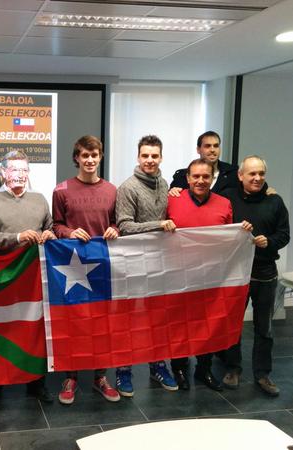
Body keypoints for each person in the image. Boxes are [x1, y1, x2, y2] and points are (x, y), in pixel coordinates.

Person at [0, 150, 55, 408]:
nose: (19, 175)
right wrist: (17, 238)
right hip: (1, 277)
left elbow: (50, 228)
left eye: (23, 170)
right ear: (3, 172)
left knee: (34, 329)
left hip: (33, 278)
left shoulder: (40, 199)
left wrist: (50, 235)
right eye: (13, 170)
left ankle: (36, 382)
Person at [166, 159, 252, 391]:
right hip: (179, 274)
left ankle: (203, 368)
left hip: (211, 277)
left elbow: (230, 239)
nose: (201, 181)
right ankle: (179, 368)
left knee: (207, 324)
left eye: (206, 176)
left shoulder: (224, 203)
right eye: (196, 176)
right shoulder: (172, 199)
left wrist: (242, 232)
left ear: (212, 178)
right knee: (180, 324)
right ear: (187, 178)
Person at [52, 135, 121, 405]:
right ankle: (71, 377)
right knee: (74, 320)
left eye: (94, 155)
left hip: (102, 266)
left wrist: (114, 229)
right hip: (72, 268)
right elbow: (55, 225)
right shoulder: (61, 190)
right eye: (84, 155)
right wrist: (69, 232)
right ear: (76, 158)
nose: (90, 160)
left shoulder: (112, 190)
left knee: (102, 322)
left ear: (100, 157)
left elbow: (117, 222)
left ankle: (100, 376)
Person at [221, 156, 290, 396]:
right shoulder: (228, 198)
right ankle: (232, 369)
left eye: (261, 173)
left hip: (265, 274)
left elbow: (284, 234)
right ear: (240, 176)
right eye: (252, 173)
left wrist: (269, 242)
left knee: (264, 328)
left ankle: (262, 374)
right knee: (232, 325)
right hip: (235, 274)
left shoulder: (275, 201)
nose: (257, 178)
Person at [115, 135, 178, 394]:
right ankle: (123, 371)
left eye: (154, 156)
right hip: (131, 264)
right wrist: (159, 225)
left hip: (159, 263)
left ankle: (158, 366)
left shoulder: (164, 184)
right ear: (138, 157)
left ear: (161, 157)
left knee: (158, 317)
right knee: (128, 319)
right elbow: (124, 226)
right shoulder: (127, 187)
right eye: (145, 155)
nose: (149, 160)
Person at [169, 131, 238, 195]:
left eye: (216, 146)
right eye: (207, 146)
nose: (212, 150)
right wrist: (172, 192)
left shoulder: (233, 173)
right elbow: (173, 198)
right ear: (198, 149)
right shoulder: (182, 177)